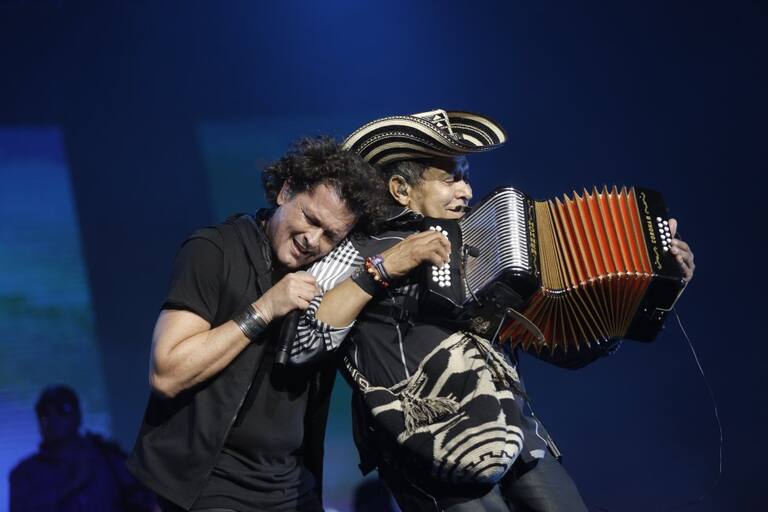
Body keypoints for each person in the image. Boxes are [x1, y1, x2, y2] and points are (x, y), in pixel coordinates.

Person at [290, 110, 696, 511]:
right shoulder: (356, 249)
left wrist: (641, 299)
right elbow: (302, 342)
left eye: (466, 177)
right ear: (400, 189)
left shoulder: (487, 245)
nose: (466, 191)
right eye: (450, 179)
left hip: (518, 438)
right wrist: (385, 268)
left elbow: (560, 349)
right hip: (432, 446)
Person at [126, 136, 387, 512]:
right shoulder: (214, 250)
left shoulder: (327, 278)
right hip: (211, 485)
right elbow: (167, 373)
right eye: (310, 218)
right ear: (285, 192)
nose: (312, 240)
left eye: (331, 235)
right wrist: (265, 308)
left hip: (292, 485)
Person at [9, 385, 157, 512]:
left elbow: (147, 501)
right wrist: (70, 485)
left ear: (78, 415)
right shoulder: (25, 474)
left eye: (62, 410)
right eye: (45, 414)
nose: (53, 419)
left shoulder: (108, 459)